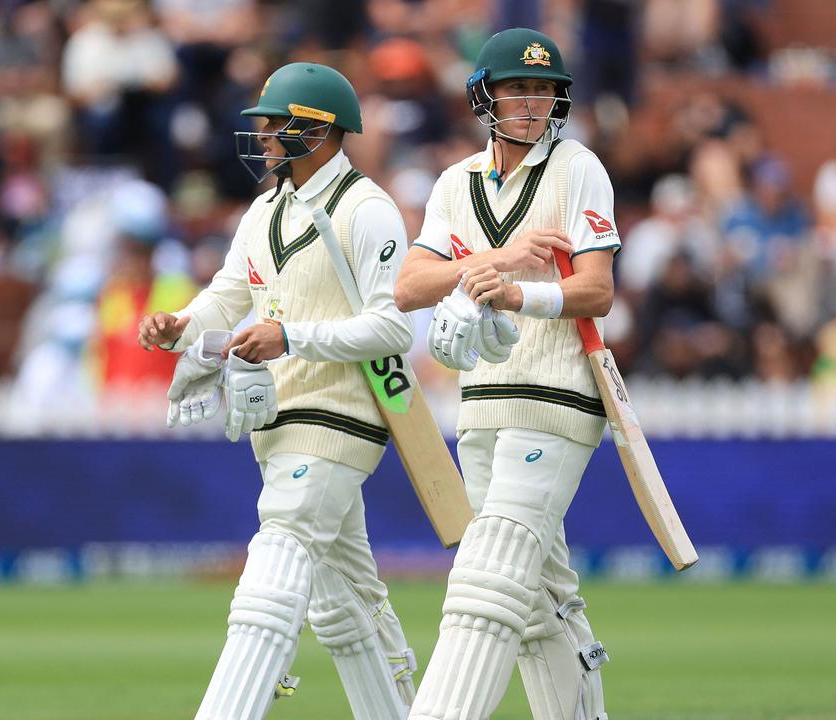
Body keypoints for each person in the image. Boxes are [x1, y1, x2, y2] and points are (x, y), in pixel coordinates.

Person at [135, 62, 416, 720]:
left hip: (342, 418)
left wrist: (290, 339)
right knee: (341, 602)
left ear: (319, 130)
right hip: (276, 419)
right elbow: (226, 299)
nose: (261, 134)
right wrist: (176, 328)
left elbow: (392, 326)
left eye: (274, 123)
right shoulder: (266, 208)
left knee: (275, 565)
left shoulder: (368, 209)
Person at [394, 28, 617, 720]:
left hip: (555, 398)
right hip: (482, 403)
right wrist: (497, 259)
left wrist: (521, 291)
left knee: (486, 580)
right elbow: (409, 286)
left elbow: (598, 291)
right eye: (518, 87)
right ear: (485, 95)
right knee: (538, 600)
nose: (533, 102)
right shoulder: (454, 182)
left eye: (546, 89)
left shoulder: (578, 165)